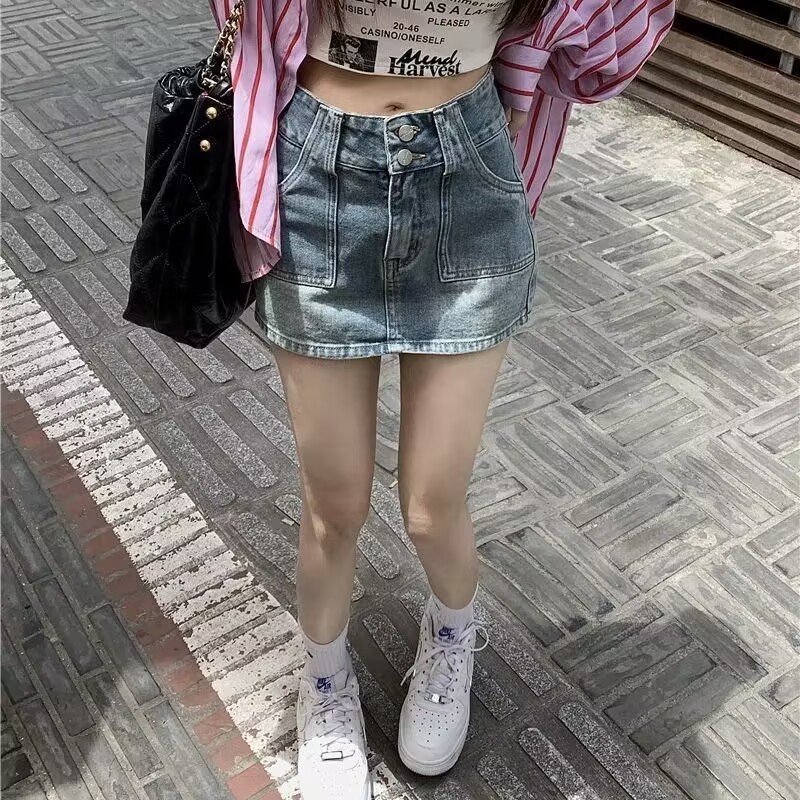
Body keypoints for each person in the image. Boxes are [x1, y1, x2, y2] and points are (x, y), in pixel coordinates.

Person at [208, 0, 675, 796]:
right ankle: (325, 682)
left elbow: (613, 36)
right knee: (334, 504)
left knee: (432, 504)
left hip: (468, 171)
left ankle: (452, 632)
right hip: (316, 174)